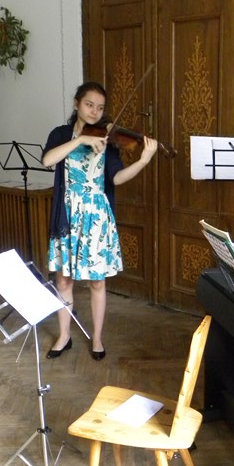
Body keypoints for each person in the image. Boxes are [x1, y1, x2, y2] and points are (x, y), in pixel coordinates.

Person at [42, 81, 158, 361]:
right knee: (64, 280)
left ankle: (97, 338)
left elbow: (116, 178)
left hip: (95, 215)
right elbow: (47, 161)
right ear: (76, 104)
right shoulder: (61, 134)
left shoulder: (107, 139)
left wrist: (143, 160)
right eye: (89, 104)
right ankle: (64, 335)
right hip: (66, 213)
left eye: (100, 107)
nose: (95, 111)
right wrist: (80, 140)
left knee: (97, 282)